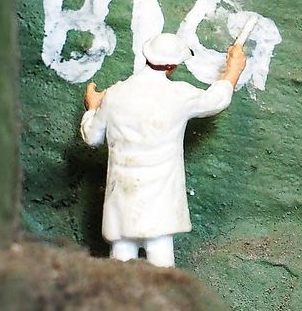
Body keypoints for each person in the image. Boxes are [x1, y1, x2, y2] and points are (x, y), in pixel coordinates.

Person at [79, 32, 247, 267]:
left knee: (119, 271)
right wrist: (233, 70)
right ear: (171, 66)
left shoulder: (115, 95)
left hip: (122, 203)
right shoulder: (179, 95)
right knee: (163, 270)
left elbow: (92, 137)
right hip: (159, 207)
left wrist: (92, 108)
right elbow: (217, 99)